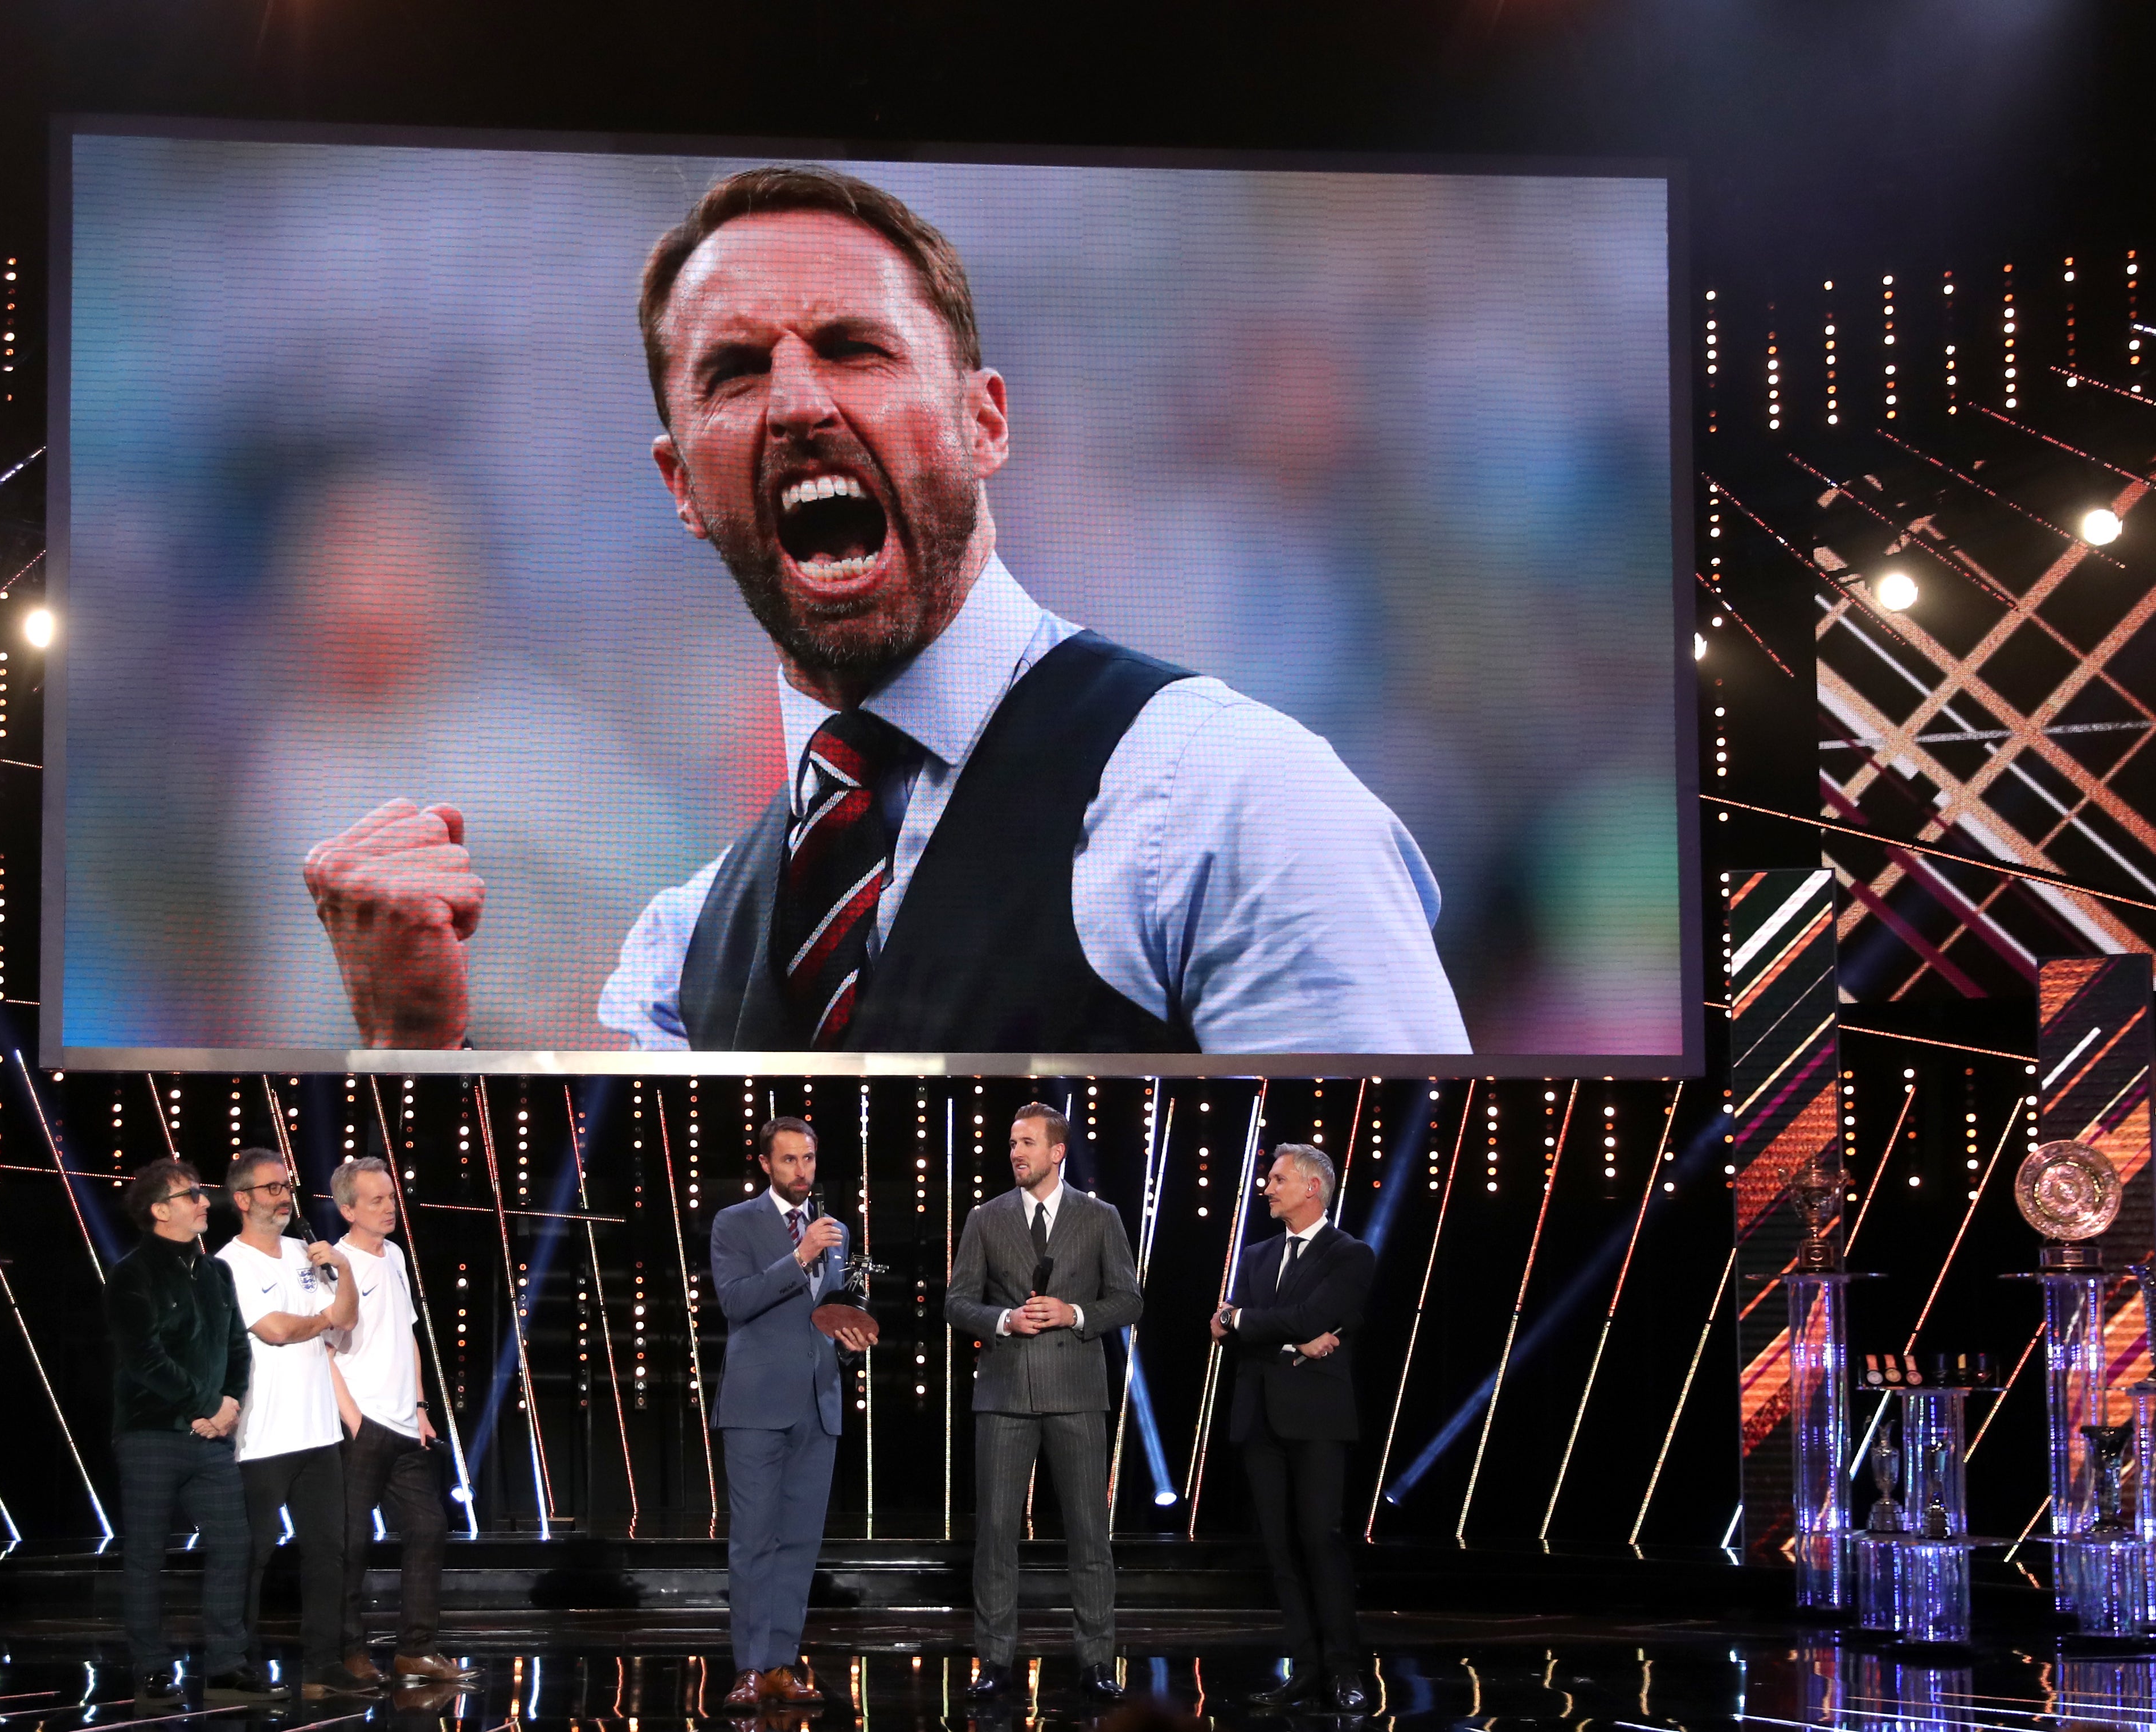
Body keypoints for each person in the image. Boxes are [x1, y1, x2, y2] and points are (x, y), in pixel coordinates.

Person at [301, 163, 1468, 1058]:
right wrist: (415, 1046)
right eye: (737, 371)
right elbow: (599, 1338)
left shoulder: (1229, 805)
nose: (800, 400)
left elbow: (1391, 1254)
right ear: (682, 488)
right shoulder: (678, 955)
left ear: (985, 424)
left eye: (857, 349)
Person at [944, 1103, 1140, 1701]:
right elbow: (957, 1300)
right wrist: (1003, 1317)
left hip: (1077, 1394)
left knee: (1087, 1534)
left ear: (1058, 1151)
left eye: (1027, 1142)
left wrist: (1075, 1312)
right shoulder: (986, 1218)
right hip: (1003, 1394)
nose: (1016, 1152)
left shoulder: (1100, 1217)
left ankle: (1096, 1660)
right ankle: (996, 1661)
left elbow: (1129, 1299)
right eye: (1012, 1142)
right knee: (997, 1534)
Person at [709, 1117, 877, 1709]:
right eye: (789, 1160)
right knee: (754, 1538)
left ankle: (781, 1662)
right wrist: (798, 1255)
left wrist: (852, 1330)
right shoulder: (736, 1222)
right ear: (765, 1163)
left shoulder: (840, 1230)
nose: (802, 1171)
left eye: (808, 1159)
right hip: (756, 1404)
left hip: (819, 1400)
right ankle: (749, 1667)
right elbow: (734, 1300)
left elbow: (846, 1300)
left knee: (800, 1541)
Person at [105, 1158, 279, 1705]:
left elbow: (237, 1347)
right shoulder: (131, 1273)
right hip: (151, 1434)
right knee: (147, 1553)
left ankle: (228, 1662)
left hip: (212, 1438)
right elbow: (144, 1358)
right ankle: (153, 1666)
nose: (206, 1202)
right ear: (160, 1210)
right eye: (192, 1195)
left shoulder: (215, 1272)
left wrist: (228, 1406)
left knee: (234, 1543)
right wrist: (206, 1402)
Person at [1212, 1144, 1376, 1713]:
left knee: (1321, 1540)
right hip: (1259, 1414)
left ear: (1312, 1187)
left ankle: (1347, 1670)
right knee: (1279, 1550)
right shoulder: (1257, 1254)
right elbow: (1243, 1323)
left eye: (1278, 1178)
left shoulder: (1349, 1253)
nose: (1267, 1186)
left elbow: (1303, 1317)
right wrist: (1262, 1327)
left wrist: (1242, 1319)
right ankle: (1304, 1670)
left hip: (1317, 1418)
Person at [320, 1156, 472, 1688]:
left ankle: (416, 1650)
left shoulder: (395, 1256)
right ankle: (348, 1651)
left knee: (428, 1528)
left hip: (405, 1424)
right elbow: (323, 1349)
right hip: (360, 1422)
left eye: (391, 1196)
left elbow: (407, 1333)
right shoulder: (333, 1263)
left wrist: (422, 1407)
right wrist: (354, 1419)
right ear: (347, 1208)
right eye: (377, 1200)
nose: (390, 1207)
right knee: (352, 1541)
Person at [216, 1148, 362, 1702]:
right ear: (243, 1198)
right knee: (253, 1552)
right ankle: (240, 1662)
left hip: (318, 1433)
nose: (283, 1195)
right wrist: (322, 1318)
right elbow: (274, 1328)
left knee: (328, 1549)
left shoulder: (308, 1251)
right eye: (271, 1187)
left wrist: (343, 1272)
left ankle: (323, 1662)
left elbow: (345, 1317)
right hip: (262, 1435)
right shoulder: (231, 1262)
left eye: (286, 1185)